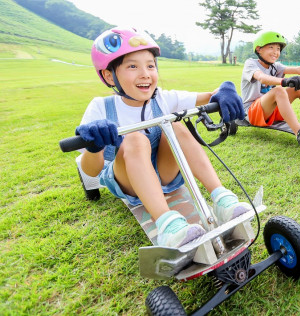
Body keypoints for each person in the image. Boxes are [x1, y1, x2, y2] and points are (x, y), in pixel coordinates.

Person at [75, 27, 251, 249]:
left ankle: (221, 198)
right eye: (132, 66)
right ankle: (167, 224)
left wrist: (225, 89)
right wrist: (95, 146)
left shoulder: (163, 99)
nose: (145, 74)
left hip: (164, 174)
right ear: (109, 75)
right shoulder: (101, 108)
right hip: (128, 181)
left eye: (150, 65)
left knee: (174, 124)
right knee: (135, 139)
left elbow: (211, 95)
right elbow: (90, 170)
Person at [240, 31, 300, 154]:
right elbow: (262, 78)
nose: (276, 52)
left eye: (278, 48)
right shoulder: (251, 63)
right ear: (259, 49)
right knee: (278, 91)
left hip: (272, 111)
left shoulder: (275, 66)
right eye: (271, 47)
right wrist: (285, 81)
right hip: (252, 112)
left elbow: (297, 69)